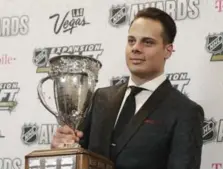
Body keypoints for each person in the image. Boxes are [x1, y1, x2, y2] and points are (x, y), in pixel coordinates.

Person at [51, 7, 205, 169]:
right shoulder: (101, 98)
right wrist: (62, 149)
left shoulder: (185, 112)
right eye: (131, 40)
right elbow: (77, 156)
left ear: (168, 50)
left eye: (147, 42)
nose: (136, 48)